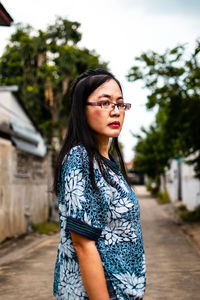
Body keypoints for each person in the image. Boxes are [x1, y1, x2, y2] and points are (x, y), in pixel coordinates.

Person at [53, 69, 146, 300]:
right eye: (105, 103)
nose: (116, 112)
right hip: (103, 290)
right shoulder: (80, 159)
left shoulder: (107, 163)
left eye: (120, 104)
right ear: (81, 110)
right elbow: (83, 246)